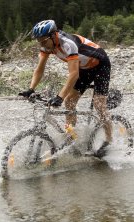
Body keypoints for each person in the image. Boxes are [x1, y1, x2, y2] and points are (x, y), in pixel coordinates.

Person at [18, 20, 112, 158]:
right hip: (84, 68)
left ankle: (109, 140)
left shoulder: (68, 44)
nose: (42, 45)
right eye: (39, 42)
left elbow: (73, 74)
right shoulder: (46, 45)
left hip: (100, 65)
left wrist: (59, 97)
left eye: (43, 41)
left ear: (53, 35)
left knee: (99, 105)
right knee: (70, 102)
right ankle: (71, 138)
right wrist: (31, 89)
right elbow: (39, 69)